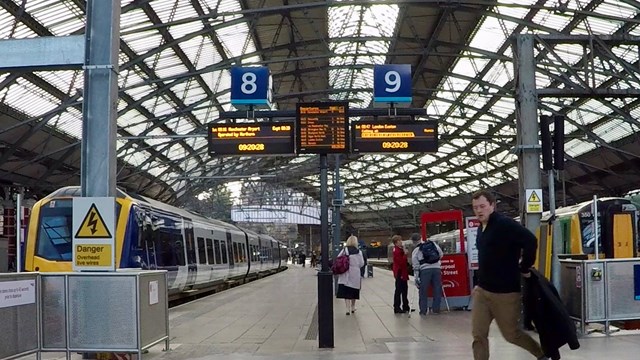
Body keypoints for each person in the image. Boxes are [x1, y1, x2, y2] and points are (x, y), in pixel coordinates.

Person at [470, 189, 548, 360]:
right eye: (475, 207)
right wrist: (477, 283)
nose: (478, 211)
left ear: (492, 205)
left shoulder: (504, 224)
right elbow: (484, 258)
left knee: (511, 334)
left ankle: (542, 354)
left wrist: (525, 266)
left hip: (505, 293)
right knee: (478, 334)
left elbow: (530, 240)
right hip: (483, 292)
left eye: (482, 206)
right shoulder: (480, 229)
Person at [411, 234, 444, 315]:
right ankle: (436, 309)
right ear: (421, 238)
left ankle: (423, 310)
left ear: (413, 241)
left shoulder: (417, 250)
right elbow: (441, 254)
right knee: (437, 289)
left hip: (425, 271)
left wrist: (416, 277)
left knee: (423, 290)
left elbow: (415, 265)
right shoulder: (432, 244)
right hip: (437, 269)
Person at [336, 235, 366, 315]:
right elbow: (362, 263)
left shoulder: (344, 250)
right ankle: (353, 307)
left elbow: (338, 258)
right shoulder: (358, 252)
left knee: (346, 291)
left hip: (345, 272)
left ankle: (347, 308)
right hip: (355, 273)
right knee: (354, 291)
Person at [391, 235, 410, 313]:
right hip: (400, 272)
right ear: (396, 242)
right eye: (399, 240)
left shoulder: (400, 249)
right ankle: (397, 307)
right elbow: (401, 262)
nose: (401, 241)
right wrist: (405, 254)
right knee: (399, 290)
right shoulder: (396, 251)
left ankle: (406, 306)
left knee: (405, 289)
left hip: (403, 272)